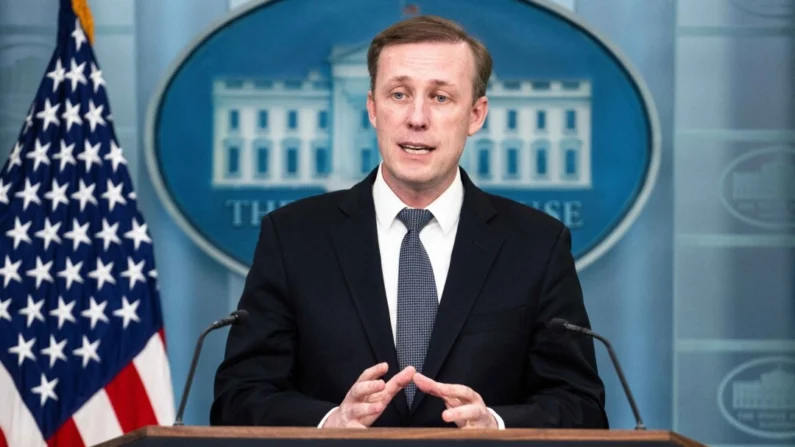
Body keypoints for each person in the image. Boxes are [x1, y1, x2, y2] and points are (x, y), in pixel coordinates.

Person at [210, 14, 607, 429]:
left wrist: (496, 424)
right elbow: (238, 396)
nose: (417, 118)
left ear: (475, 114)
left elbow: (583, 406)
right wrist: (329, 422)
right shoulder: (293, 237)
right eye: (399, 94)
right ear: (372, 108)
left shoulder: (537, 244)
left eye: (440, 97)